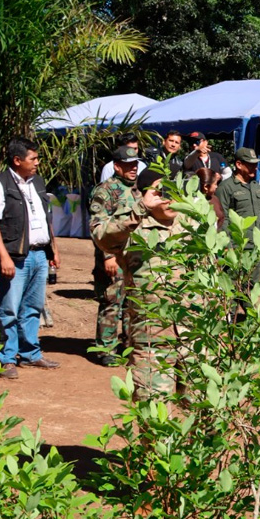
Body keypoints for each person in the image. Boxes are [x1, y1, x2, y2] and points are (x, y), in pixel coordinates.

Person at [95, 169, 187, 399]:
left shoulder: (192, 225)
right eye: (161, 190)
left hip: (193, 339)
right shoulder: (133, 227)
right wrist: (139, 209)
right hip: (152, 342)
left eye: (173, 190)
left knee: (204, 416)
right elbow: (102, 237)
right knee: (153, 414)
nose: (168, 197)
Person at [0, 137, 61, 372]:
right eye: (33, 158)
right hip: (15, 257)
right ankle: (6, 357)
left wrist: (53, 249)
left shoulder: (37, 182)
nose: (37, 162)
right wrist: (3, 257)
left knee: (33, 307)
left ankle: (30, 353)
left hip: (38, 255)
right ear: (17, 160)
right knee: (9, 308)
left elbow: (46, 218)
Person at [88, 145, 142, 367]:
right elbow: (97, 226)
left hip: (134, 257)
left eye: (135, 164)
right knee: (111, 302)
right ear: (117, 167)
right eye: (128, 165)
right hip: (114, 257)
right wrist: (108, 256)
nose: (133, 169)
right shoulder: (105, 191)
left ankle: (128, 345)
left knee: (133, 302)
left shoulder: (139, 189)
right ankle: (105, 349)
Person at [216, 147, 260, 289]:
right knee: (232, 288)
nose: (255, 167)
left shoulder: (256, 187)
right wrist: (227, 246)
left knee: (251, 288)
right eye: (250, 164)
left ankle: (248, 312)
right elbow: (222, 218)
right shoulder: (226, 187)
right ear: (239, 165)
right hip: (236, 247)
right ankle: (231, 312)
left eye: (256, 163)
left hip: (255, 247)